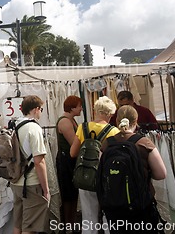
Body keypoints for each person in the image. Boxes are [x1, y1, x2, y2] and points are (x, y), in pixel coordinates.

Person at [100, 105, 166, 233]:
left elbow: (101, 171)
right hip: (140, 206)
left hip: (113, 207)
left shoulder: (106, 143)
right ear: (136, 121)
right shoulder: (143, 142)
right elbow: (161, 174)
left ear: (117, 121)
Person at [70, 96, 120, 234]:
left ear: (96, 111)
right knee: (108, 213)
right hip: (105, 176)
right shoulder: (114, 131)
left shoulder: (82, 127)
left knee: (88, 215)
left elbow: (73, 153)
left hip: (86, 174)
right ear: (109, 114)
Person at [10, 95, 50, 234]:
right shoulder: (33, 128)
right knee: (30, 227)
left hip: (16, 181)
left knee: (18, 224)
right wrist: (46, 190)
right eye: (41, 109)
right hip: (31, 183)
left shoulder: (14, 125)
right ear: (36, 109)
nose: (41, 112)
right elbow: (40, 162)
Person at [56, 95, 82, 230]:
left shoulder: (71, 120)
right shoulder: (65, 122)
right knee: (68, 195)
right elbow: (74, 144)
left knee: (73, 194)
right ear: (72, 107)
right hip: (66, 162)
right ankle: (68, 225)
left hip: (70, 160)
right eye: (79, 106)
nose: (81, 109)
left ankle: (71, 223)